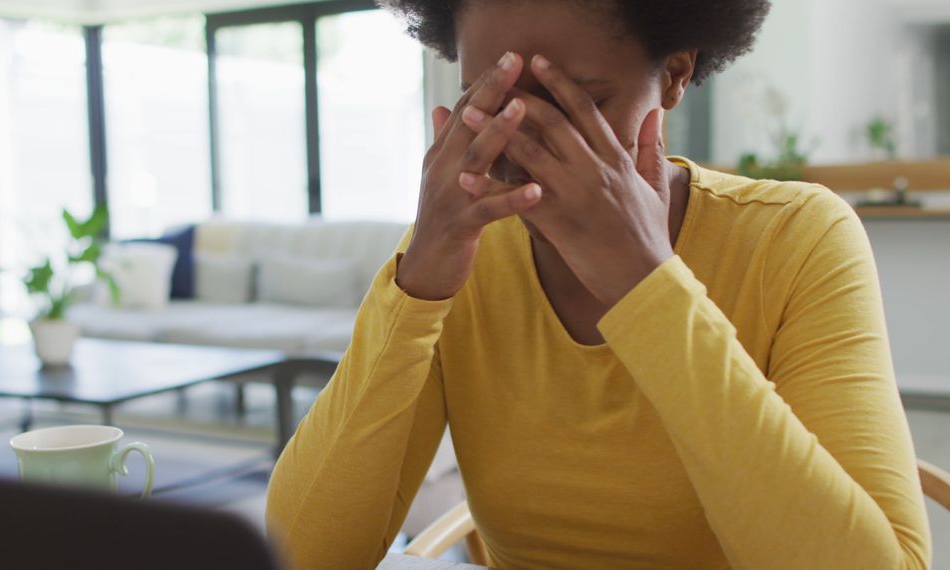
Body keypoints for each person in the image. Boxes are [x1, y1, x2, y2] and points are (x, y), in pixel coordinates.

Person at [266, 0, 932, 568]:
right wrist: (418, 286)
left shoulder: (796, 238)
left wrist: (647, 286)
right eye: (488, 101)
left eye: (577, 101)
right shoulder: (466, 253)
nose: (519, 142)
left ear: (674, 76)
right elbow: (300, 552)